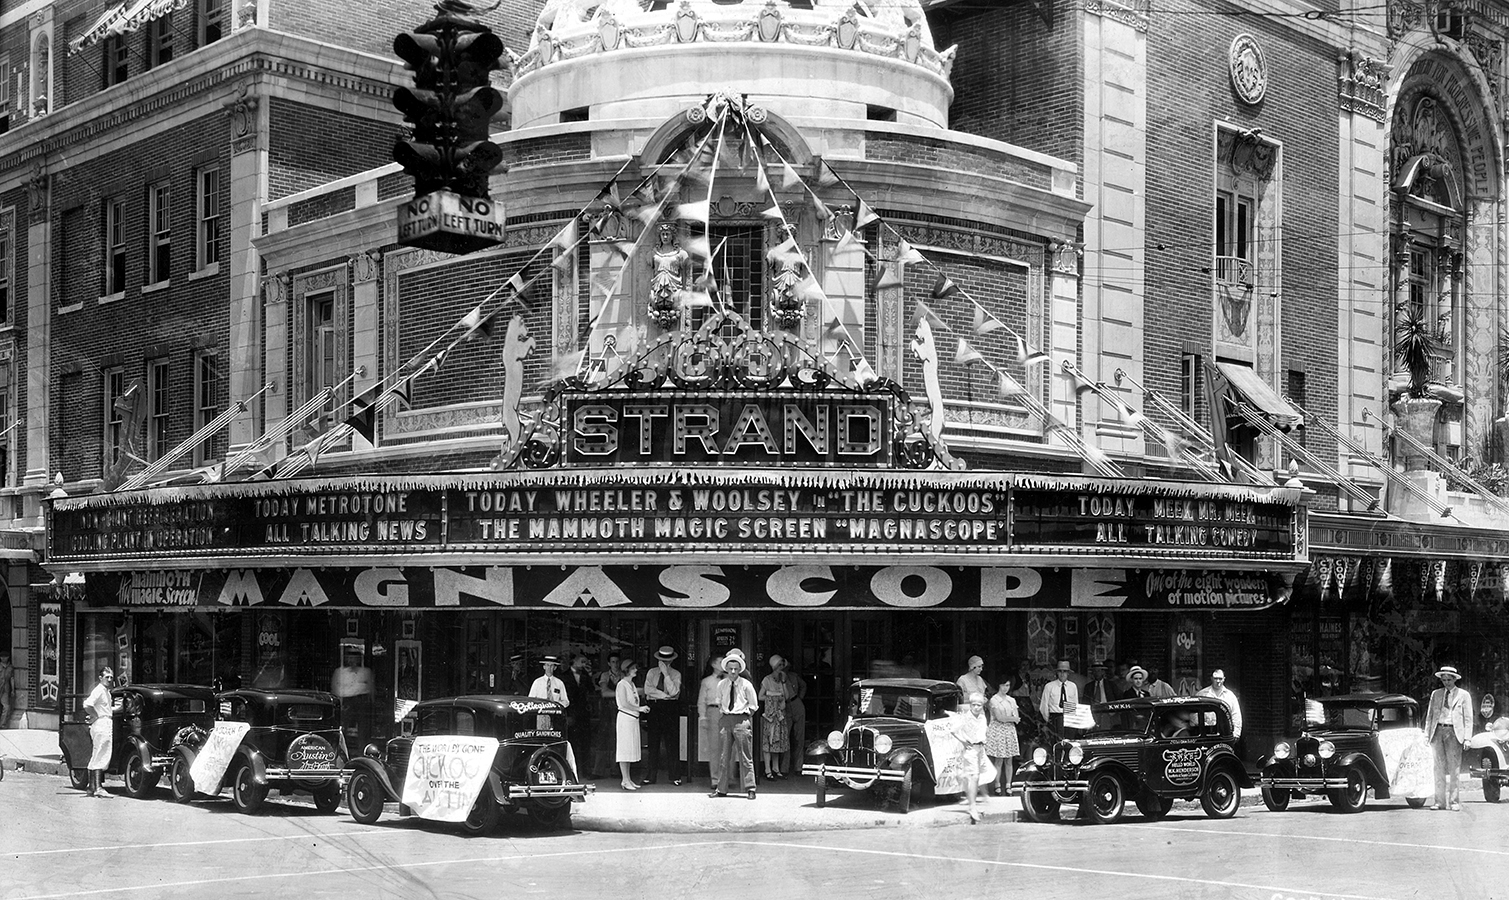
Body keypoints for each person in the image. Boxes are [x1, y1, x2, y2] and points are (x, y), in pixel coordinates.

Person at [711, 648, 759, 800]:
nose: (733, 672)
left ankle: (750, 788)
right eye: (730, 669)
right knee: (724, 756)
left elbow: (753, 705)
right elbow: (719, 701)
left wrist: (744, 718)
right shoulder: (722, 685)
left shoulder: (746, 685)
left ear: (739, 670)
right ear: (726, 669)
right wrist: (724, 715)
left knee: (745, 755)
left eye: (735, 669)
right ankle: (721, 789)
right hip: (726, 720)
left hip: (741, 720)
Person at [1425, 664, 1472, 811]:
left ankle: (1454, 801)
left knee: (1454, 768)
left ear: (1455, 679)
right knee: (1438, 768)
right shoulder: (1436, 694)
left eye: (1449, 680)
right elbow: (1429, 716)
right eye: (1444, 680)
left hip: (1454, 732)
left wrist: (1467, 738)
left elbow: (1468, 718)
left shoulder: (1463, 695)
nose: (1446, 683)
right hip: (1438, 730)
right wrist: (1427, 734)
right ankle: (1439, 801)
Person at [641, 646, 684, 786]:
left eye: (667, 661)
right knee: (653, 743)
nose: (664, 663)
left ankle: (675, 776)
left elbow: (674, 692)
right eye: (662, 660)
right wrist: (664, 696)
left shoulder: (676, 674)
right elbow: (648, 689)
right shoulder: (652, 672)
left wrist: (666, 675)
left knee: (671, 743)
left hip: (670, 708)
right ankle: (651, 776)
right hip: (655, 706)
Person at [83, 666, 123, 798]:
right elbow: (87, 705)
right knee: (101, 754)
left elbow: (105, 708)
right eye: (107, 677)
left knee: (99, 753)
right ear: (100, 678)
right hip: (101, 724)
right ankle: (98, 787)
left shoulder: (106, 692)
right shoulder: (99, 690)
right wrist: (95, 715)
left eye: (111, 677)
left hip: (105, 722)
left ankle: (92, 787)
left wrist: (118, 707)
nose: (110, 679)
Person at [951, 692, 991, 824]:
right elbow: (953, 731)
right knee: (974, 777)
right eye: (974, 705)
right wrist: (963, 741)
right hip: (970, 749)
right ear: (970, 705)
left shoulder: (982, 718)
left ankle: (963, 779)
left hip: (980, 748)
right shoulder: (965, 718)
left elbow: (983, 732)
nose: (976, 707)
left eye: (979, 705)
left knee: (977, 776)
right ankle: (972, 806)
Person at [615, 658, 649, 790]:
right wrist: (639, 709)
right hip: (625, 719)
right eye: (633, 668)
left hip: (633, 719)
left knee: (629, 750)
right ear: (627, 670)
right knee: (624, 750)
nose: (635, 670)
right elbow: (624, 703)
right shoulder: (621, 684)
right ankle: (624, 779)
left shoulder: (632, 684)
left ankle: (628, 779)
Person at [330, 649, 374, 749]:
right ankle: (342, 750)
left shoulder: (365, 671)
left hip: (361, 701)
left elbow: (371, 688)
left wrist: (371, 701)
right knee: (343, 726)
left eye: (355, 658)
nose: (353, 660)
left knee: (363, 728)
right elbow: (335, 688)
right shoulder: (340, 672)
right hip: (346, 701)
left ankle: (362, 750)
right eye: (350, 658)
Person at [986, 677, 1020, 796]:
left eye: (1008, 685)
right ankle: (997, 785)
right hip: (998, 730)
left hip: (1009, 730)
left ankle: (1008, 785)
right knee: (999, 759)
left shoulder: (1011, 700)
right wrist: (1011, 718)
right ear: (999, 685)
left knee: (1009, 759)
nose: (1006, 688)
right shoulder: (994, 700)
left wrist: (1012, 718)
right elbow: (1000, 717)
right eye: (1004, 685)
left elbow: (1017, 717)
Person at [759, 654, 791, 780]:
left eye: (782, 666)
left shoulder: (783, 680)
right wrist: (772, 697)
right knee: (769, 743)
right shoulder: (767, 680)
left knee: (777, 744)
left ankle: (776, 769)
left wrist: (783, 683)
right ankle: (767, 770)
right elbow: (760, 696)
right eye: (779, 666)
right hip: (770, 716)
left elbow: (787, 696)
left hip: (780, 715)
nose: (781, 668)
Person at [591, 653, 622, 779]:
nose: (615, 664)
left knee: (617, 740)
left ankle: (616, 770)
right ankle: (598, 771)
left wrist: (612, 693)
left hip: (619, 710)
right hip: (606, 711)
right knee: (602, 740)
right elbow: (604, 692)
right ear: (609, 663)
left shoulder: (623, 675)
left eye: (617, 661)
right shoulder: (604, 675)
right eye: (613, 662)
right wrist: (620, 694)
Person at [563, 654, 594, 775]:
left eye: (586, 662)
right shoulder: (564, 676)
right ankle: (572, 770)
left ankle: (585, 770)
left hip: (583, 714)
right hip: (571, 713)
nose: (584, 664)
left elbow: (591, 691)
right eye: (582, 661)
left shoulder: (585, 676)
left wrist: (590, 675)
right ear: (574, 662)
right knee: (573, 743)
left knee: (585, 742)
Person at [697, 655, 726, 787]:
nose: (723, 664)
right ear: (713, 664)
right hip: (713, 711)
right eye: (720, 662)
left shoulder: (729, 680)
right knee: (715, 747)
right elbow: (701, 701)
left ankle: (726, 777)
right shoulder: (707, 681)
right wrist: (702, 717)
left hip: (726, 712)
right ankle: (715, 779)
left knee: (728, 745)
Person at [1196, 669, 1244, 741]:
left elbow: (1236, 715)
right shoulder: (1202, 694)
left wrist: (1236, 733)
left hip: (1224, 733)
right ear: (1211, 679)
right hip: (1206, 732)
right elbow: (1194, 714)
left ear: (1224, 679)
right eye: (1215, 678)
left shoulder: (1230, 696)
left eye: (1220, 679)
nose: (1218, 681)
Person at [1038, 659, 1081, 737]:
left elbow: (1076, 704)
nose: (1062, 674)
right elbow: (1043, 706)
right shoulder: (1049, 686)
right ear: (1057, 673)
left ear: (1068, 673)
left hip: (1069, 717)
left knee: (1069, 742)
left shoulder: (1073, 686)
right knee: (1056, 742)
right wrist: (1050, 720)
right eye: (1060, 671)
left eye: (1064, 671)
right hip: (1055, 717)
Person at [783, 663, 807, 775]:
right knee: (784, 738)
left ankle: (798, 767)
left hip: (796, 703)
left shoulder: (793, 676)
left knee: (799, 737)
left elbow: (803, 685)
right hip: (784, 707)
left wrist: (800, 697)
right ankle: (784, 768)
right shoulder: (774, 677)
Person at [0, 651, 15, 729]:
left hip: (6, 688)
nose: (3, 658)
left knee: (6, 707)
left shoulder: (10, 668)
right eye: (2, 657)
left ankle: (2, 724)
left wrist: (13, 690)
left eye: (5, 656)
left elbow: (12, 679)